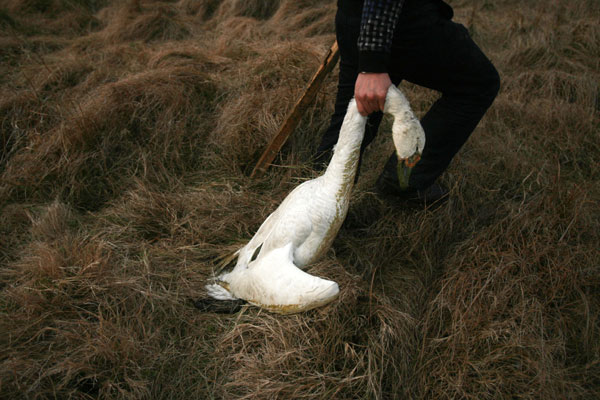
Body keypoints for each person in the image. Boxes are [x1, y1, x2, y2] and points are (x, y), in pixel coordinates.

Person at [314, 0, 500, 206]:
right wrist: (372, 64)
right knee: (479, 83)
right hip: (401, 20)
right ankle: (404, 180)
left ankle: (311, 203)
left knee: (354, 117)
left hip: (356, 15)